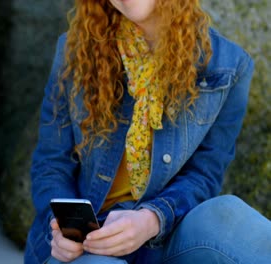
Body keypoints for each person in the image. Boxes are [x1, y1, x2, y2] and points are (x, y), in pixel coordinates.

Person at [24, 0, 271, 263]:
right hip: (93, 237)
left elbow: (204, 175)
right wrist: (64, 229)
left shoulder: (229, 66)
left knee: (227, 213)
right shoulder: (75, 50)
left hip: (165, 231)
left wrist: (151, 219)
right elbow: (51, 165)